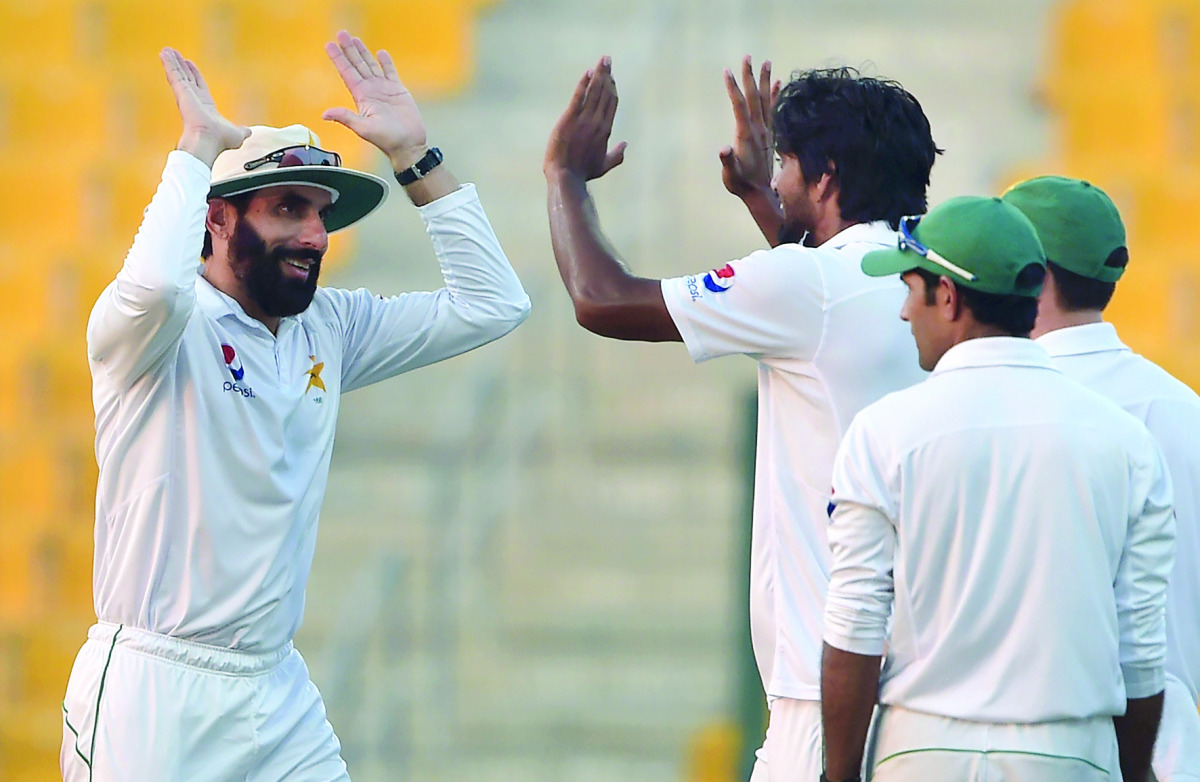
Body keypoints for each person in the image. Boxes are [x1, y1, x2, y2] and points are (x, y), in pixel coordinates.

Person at [60, 32, 530, 781]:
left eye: (318, 212)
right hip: (154, 694)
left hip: (276, 692)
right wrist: (195, 152)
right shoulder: (155, 329)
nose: (314, 235)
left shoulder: (328, 328)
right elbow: (153, 287)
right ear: (215, 220)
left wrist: (415, 155)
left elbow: (494, 304)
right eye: (287, 209)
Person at [544, 55, 939, 779]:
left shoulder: (809, 283)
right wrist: (764, 196)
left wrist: (564, 176)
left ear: (825, 179)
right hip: (925, 694)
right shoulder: (938, 279)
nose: (780, 176)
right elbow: (821, 318)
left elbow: (600, 299)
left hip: (826, 701)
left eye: (788, 164)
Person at [821, 195, 1175, 782]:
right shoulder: (1125, 441)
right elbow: (1139, 651)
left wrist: (837, 778)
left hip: (919, 754)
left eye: (912, 289)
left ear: (950, 296)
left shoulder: (883, 431)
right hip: (1070, 756)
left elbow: (855, 627)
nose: (906, 312)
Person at [1003, 175, 1200, 780]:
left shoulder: (1004, 411)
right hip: (1177, 749)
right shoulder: (1184, 407)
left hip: (1051, 753)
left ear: (1030, 272)